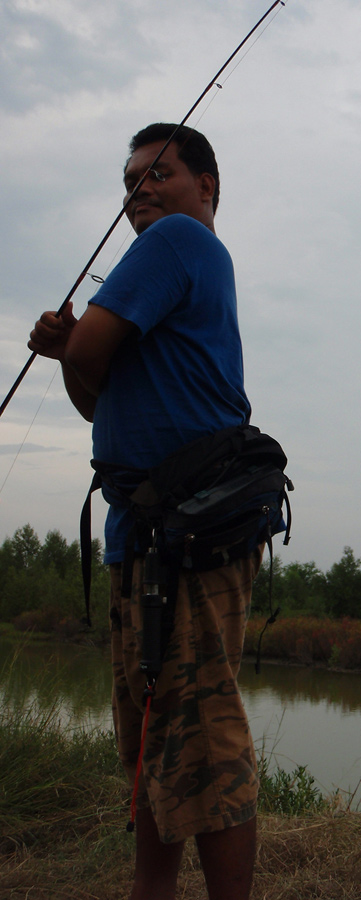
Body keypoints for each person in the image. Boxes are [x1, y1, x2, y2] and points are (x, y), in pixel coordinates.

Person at [28, 123, 262, 900]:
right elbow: (95, 399)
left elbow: (89, 352)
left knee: (205, 736)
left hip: (184, 536)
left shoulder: (176, 245)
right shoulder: (177, 264)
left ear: (208, 187)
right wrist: (72, 354)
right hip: (144, 530)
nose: (140, 190)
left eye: (159, 172)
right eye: (130, 180)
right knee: (154, 741)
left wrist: (71, 343)